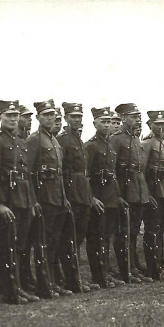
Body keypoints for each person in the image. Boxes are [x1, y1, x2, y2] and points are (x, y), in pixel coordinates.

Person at [0, 100, 39, 305]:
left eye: (15, 116)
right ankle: (8, 290)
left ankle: (15, 287)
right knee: (6, 246)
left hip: (23, 200)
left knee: (18, 246)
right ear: (0, 118)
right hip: (8, 201)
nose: (12, 119)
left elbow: (27, 174)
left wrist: (32, 201)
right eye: (8, 116)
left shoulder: (20, 141)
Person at [25, 99, 72, 297]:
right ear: (38, 117)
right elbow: (27, 172)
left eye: (52, 114)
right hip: (44, 200)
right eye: (45, 115)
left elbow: (59, 173)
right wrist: (34, 200)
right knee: (43, 243)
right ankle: (45, 285)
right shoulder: (35, 140)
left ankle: (52, 282)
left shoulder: (53, 140)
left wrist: (64, 198)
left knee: (53, 243)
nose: (50, 118)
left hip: (57, 198)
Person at [58, 102, 100, 292]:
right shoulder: (64, 140)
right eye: (73, 116)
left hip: (82, 193)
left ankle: (74, 278)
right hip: (71, 193)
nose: (76, 120)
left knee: (79, 237)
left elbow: (84, 172)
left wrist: (89, 196)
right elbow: (62, 171)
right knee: (70, 239)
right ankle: (71, 280)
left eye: (79, 117)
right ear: (66, 118)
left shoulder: (79, 141)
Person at [110, 103, 147, 284]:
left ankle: (132, 266)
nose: (137, 119)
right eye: (133, 116)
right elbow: (112, 169)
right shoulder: (116, 139)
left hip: (138, 191)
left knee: (132, 232)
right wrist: (118, 195)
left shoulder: (135, 139)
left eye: (138, 116)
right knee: (123, 232)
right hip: (125, 192)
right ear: (123, 118)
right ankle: (124, 268)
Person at [84, 107, 119, 289]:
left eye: (108, 121)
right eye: (102, 122)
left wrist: (117, 196)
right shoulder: (90, 146)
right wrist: (91, 198)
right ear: (94, 124)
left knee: (106, 237)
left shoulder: (110, 145)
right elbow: (86, 175)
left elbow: (113, 173)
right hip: (98, 198)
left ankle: (105, 273)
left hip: (111, 197)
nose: (106, 125)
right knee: (96, 238)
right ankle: (98, 276)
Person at [139, 110, 164, 280]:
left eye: (163, 124)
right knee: (152, 230)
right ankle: (153, 268)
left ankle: (160, 265)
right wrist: (147, 195)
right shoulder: (147, 144)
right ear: (150, 125)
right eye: (157, 124)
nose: (161, 127)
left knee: (161, 230)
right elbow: (142, 171)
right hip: (154, 192)